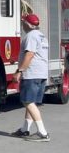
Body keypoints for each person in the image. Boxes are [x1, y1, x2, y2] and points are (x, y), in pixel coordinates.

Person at [11, 12, 50, 141]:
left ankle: (42, 133)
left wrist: (19, 71)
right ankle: (25, 129)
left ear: (27, 24)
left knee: (27, 101)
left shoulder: (31, 36)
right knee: (32, 102)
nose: (22, 24)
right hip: (42, 73)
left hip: (32, 74)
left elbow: (29, 55)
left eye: (23, 22)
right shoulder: (42, 36)